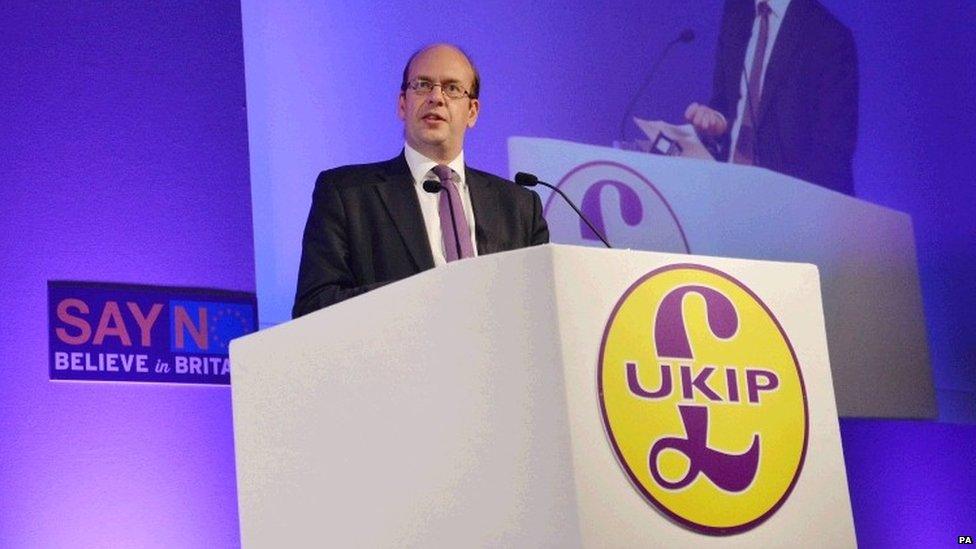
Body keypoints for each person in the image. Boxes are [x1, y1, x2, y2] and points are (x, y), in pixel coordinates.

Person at [293, 43, 549, 317]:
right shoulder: (346, 193)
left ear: (472, 112)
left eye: (452, 88)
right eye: (423, 85)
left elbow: (544, 305)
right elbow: (315, 306)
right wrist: (424, 297)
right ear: (403, 104)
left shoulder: (520, 207)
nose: (436, 98)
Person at [685, 0, 858, 195]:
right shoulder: (737, 11)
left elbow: (832, 151)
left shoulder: (829, 36)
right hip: (728, 190)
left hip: (790, 205)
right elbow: (724, 100)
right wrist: (718, 121)